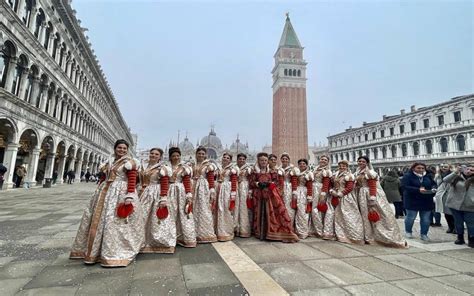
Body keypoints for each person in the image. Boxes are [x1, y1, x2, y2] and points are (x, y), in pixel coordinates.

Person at [70, 139, 145, 267]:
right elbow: (104, 177)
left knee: (113, 220)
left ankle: (113, 251)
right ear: (115, 148)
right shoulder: (109, 161)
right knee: (97, 219)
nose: (121, 150)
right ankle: (95, 251)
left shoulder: (130, 162)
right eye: (119, 148)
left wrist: (129, 195)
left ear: (127, 150)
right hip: (105, 191)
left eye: (124, 148)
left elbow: (132, 179)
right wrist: (100, 186)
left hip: (120, 192)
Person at [355, 156, 407, 248]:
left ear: (367, 163)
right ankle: (368, 235)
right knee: (364, 215)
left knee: (376, 214)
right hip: (361, 195)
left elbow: (373, 186)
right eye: (359, 161)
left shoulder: (370, 173)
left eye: (363, 161)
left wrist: (372, 198)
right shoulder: (357, 172)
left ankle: (382, 236)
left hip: (368, 194)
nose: (361, 163)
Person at [248, 152, 298, 242]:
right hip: (258, 195)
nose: (263, 162)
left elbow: (277, 182)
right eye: (261, 160)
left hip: (270, 196)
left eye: (265, 160)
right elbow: (251, 182)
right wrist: (258, 183)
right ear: (258, 161)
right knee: (258, 213)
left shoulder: (272, 171)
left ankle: (271, 232)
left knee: (272, 213)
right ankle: (260, 233)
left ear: (267, 161)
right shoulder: (254, 171)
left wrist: (270, 184)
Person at [139, 148, 176, 253]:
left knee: (156, 217)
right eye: (152, 153)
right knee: (142, 215)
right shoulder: (144, 166)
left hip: (156, 193)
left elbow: (165, 183)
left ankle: (158, 242)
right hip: (144, 193)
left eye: (156, 154)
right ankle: (142, 240)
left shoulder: (162, 168)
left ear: (160, 157)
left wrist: (163, 197)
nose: (153, 155)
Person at [330, 160, 364, 245]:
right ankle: (340, 234)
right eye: (340, 166)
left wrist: (341, 193)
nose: (342, 167)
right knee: (339, 217)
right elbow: (332, 185)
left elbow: (350, 188)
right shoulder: (335, 175)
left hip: (346, 197)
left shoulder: (349, 175)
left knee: (348, 216)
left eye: (344, 166)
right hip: (336, 196)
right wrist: (332, 191)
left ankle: (352, 236)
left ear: (347, 167)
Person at [168, 147, 196, 248]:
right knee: (170, 213)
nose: (176, 157)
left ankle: (183, 237)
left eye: (178, 156)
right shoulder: (166, 167)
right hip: (168, 191)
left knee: (183, 213)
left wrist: (189, 194)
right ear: (170, 157)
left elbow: (187, 182)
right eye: (174, 156)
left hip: (180, 191)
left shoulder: (184, 168)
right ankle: (170, 237)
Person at [402, 162, 437, 241]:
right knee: (411, 217)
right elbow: (405, 186)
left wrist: (434, 188)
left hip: (426, 199)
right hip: (412, 200)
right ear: (413, 168)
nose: (421, 170)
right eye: (418, 168)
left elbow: (433, 184)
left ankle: (424, 234)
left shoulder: (428, 176)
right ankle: (408, 231)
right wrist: (418, 190)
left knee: (425, 219)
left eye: (422, 168)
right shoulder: (408, 176)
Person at [191, 147, 218, 243]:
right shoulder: (192, 164)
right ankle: (193, 233)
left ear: (205, 155)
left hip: (203, 188)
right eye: (199, 153)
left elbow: (211, 178)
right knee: (193, 208)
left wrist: (211, 190)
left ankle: (205, 233)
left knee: (204, 208)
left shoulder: (208, 165)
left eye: (203, 154)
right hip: (193, 186)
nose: (201, 155)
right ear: (196, 154)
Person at [444, 164, 474, 247]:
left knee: (471, 224)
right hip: (455, 204)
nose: (469, 171)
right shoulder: (456, 177)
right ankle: (460, 238)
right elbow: (445, 180)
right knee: (458, 222)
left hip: (470, 205)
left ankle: (471, 239)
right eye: (467, 169)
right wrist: (455, 172)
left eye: (472, 170)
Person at [216, 152, 239, 241]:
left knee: (226, 208)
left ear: (230, 160)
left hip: (227, 190)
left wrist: (233, 194)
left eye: (227, 158)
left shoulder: (232, 169)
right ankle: (218, 230)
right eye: (224, 157)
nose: (225, 159)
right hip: (219, 188)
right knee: (217, 209)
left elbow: (234, 181)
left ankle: (226, 231)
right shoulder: (219, 168)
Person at [310, 155, 334, 240]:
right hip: (313, 189)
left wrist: (323, 195)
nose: (323, 160)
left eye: (325, 160)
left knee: (317, 210)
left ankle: (320, 231)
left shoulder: (327, 171)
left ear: (327, 162)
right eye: (322, 159)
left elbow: (326, 183)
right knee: (313, 209)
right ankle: (315, 230)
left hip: (320, 191)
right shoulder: (316, 169)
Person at [293, 158, 314, 239]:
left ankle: (303, 232)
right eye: (300, 164)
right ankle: (297, 230)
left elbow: (310, 186)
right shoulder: (296, 172)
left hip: (303, 192)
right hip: (296, 191)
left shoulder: (308, 174)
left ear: (306, 165)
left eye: (303, 164)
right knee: (296, 211)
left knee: (302, 212)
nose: (302, 165)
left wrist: (309, 196)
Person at [234, 153, 252, 238]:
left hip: (245, 187)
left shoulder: (248, 168)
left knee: (244, 207)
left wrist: (250, 190)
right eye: (240, 159)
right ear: (237, 159)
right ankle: (235, 228)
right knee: (236, 207)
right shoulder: (234, 168)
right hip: (236, 187)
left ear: (245, 160)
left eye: (243, 159)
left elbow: (252, 179)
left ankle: (244, 229)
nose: (241, 160)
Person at [434, 164, 455, 233]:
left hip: (451, 195)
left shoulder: (453, 174)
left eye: (445, 166)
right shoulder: (438, 175)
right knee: (446, 212)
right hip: (442, 195)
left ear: (449, 167)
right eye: (442, 166)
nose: (443, 168)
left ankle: (455, 227)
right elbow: (436, 184)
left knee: (452, 212)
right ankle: (450, 227)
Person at [278, 153, 296, 225]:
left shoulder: (292, 169)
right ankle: (282, 224)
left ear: (288, 160)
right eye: (283, 159)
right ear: (281, 160)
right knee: (281, 205)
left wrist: (294, 192)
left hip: (289, 187)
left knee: (288, 206)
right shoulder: (278, 169)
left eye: (286, 159)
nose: (284, 160)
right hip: (280, 188)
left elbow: (294, 181)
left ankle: (289, 224)